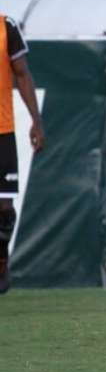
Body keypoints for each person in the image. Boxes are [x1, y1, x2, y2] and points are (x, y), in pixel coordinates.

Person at [0, 15, 45, 293]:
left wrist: (36, 121)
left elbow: (22, 73)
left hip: (2, 130)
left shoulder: (6, 27)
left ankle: (1, 261)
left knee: (4, 208)